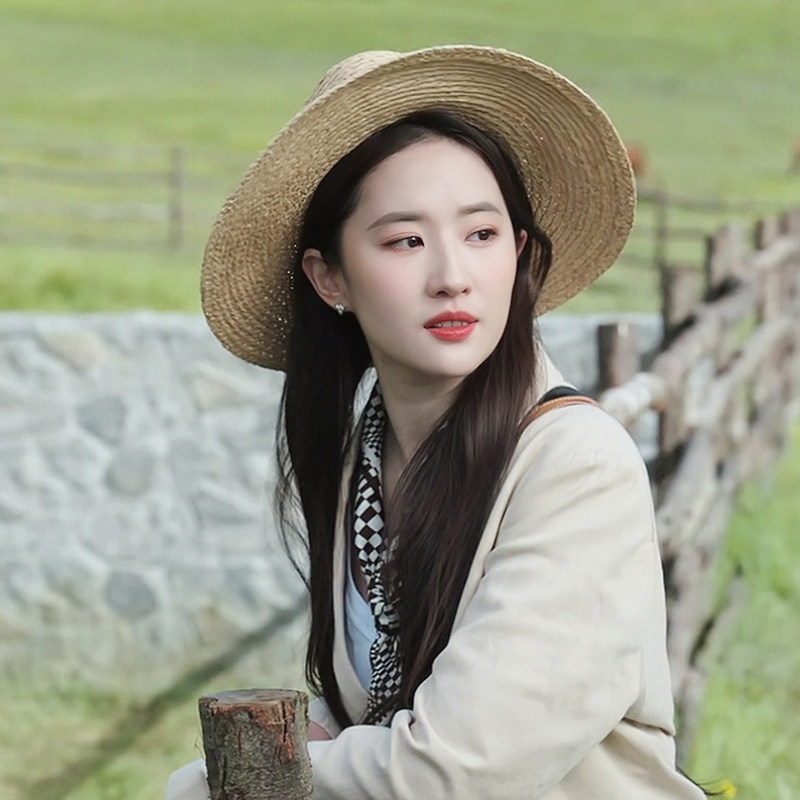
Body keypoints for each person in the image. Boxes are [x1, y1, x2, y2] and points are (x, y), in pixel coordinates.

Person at [167, 46, 708, 799]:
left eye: (482, 234)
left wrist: (217, 784)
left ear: (519, 254)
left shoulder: (576, 466)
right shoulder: (367, 456)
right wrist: (320, 728)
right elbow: (383, 695)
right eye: (406, 241)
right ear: (329, 277)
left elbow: (459, 766)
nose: (452, 276)